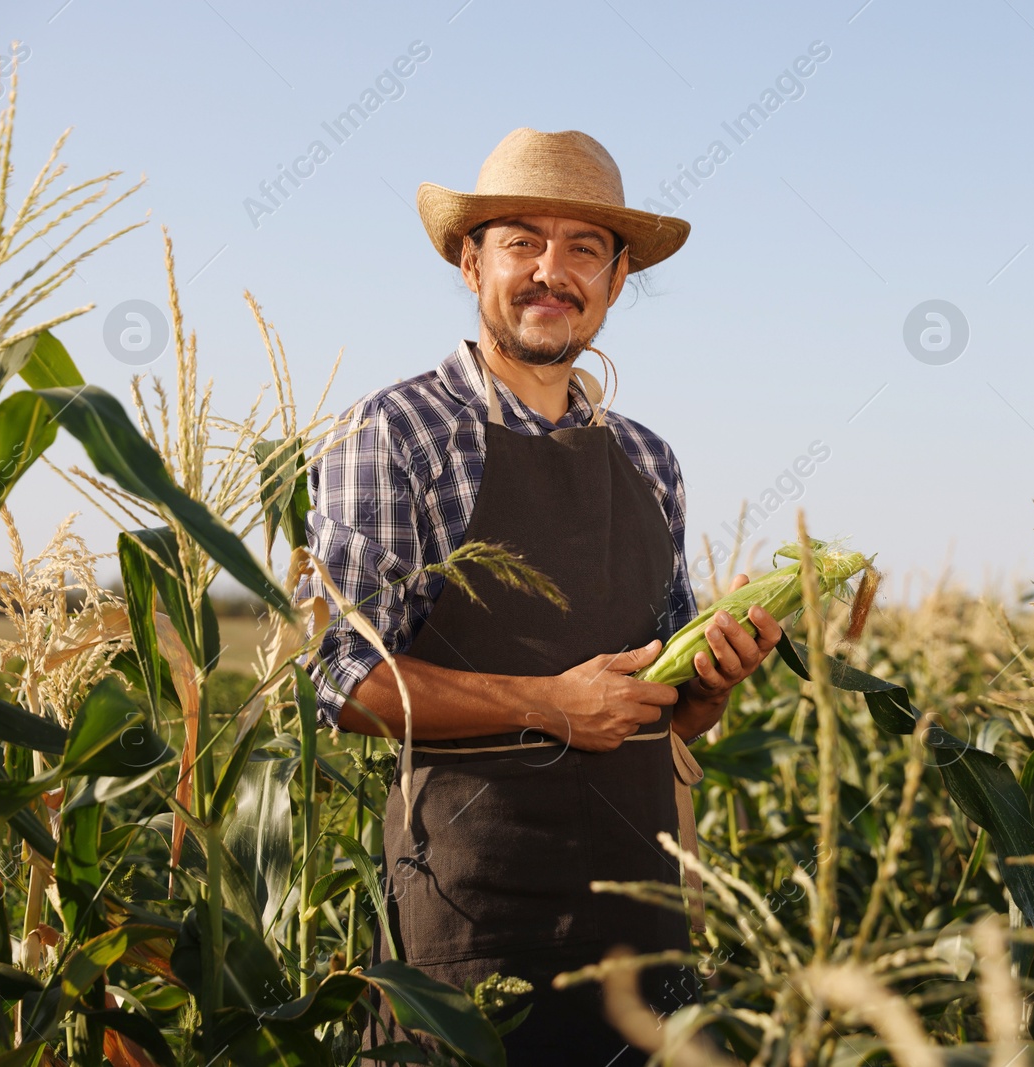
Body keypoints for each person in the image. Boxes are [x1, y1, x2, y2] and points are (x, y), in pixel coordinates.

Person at [297, 127, 782, 1064]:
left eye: (584, 249)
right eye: (522, 241)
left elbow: (664, 719)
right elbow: (345, 681)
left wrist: (708, 689)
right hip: (472, 947)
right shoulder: (397, 433)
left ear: (618, 277)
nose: (551, 272)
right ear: (472, 261)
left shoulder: (650, 460)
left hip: (645, 944)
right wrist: (551, 705)